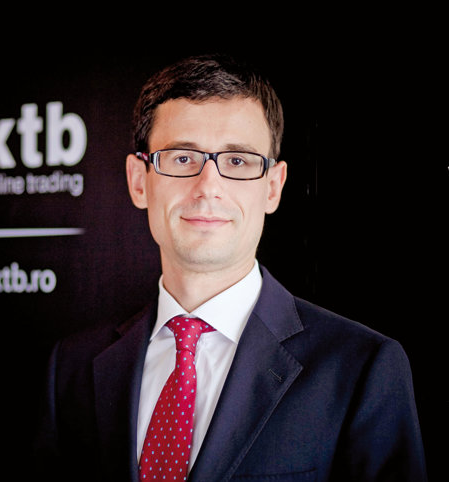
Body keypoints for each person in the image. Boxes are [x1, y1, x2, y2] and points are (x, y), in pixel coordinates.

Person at [33, 54, 427, 481]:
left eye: (238, 161)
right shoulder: (71, 366)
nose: (208, 187)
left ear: (273, 188)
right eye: (182, 158)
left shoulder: (362, 368)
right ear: (139, 180)